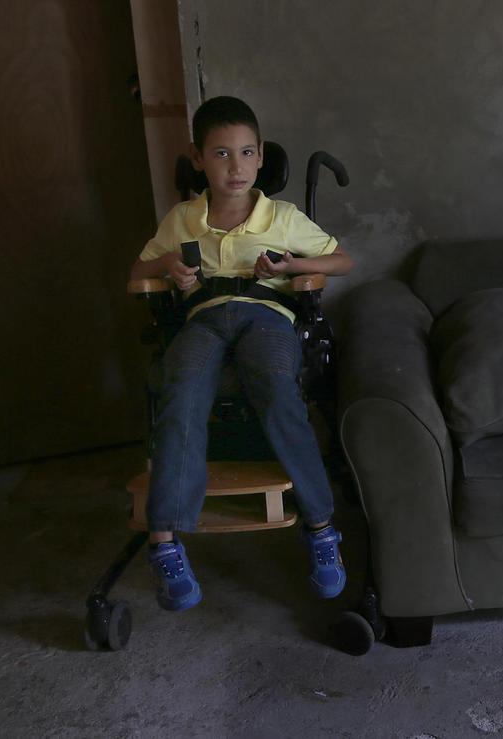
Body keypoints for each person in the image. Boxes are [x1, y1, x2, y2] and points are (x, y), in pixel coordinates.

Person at [129, 96, 353, 611]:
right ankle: (164, 541)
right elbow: (136, 274)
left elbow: (342, 260)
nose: (237, 166)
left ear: (261, 157)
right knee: (178, 390)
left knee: (276, 387)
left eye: (247, 152)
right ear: (198, 158)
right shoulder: (184, 218)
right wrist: (168, 265)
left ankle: (321, 526)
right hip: (203, 318)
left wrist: (292, 265)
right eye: (222, 154)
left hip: (267, 316)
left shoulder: (283, 215)